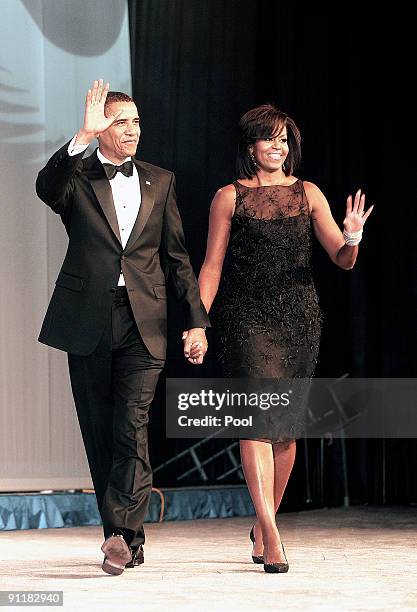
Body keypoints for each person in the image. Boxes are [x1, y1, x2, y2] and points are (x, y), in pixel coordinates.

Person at [36, 79, 209, 575]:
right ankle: (122, 534)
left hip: (144, 318)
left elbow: (176, 259)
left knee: (130, 425)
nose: (132, 130)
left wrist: (196, 320)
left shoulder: (161, 180)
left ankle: (122, 536)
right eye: (120, 122)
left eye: (136, 121)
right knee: (100, 430)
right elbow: (46, 188)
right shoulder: (78, 177)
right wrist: (81, 137)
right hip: (89, 316)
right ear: (101, 127)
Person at [198, 104, 373, 573]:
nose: (277, 147)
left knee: (286, 430)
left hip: (299, 320)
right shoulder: (228, 197)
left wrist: (352, 238)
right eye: (267, 139)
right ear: (250, 147)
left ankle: (262, 522)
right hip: (244, 320)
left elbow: (341, 257)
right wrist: (199, 321)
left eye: (283, 139)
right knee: (257, 421)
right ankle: (271, 533)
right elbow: (211, 265)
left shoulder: (308, 193)